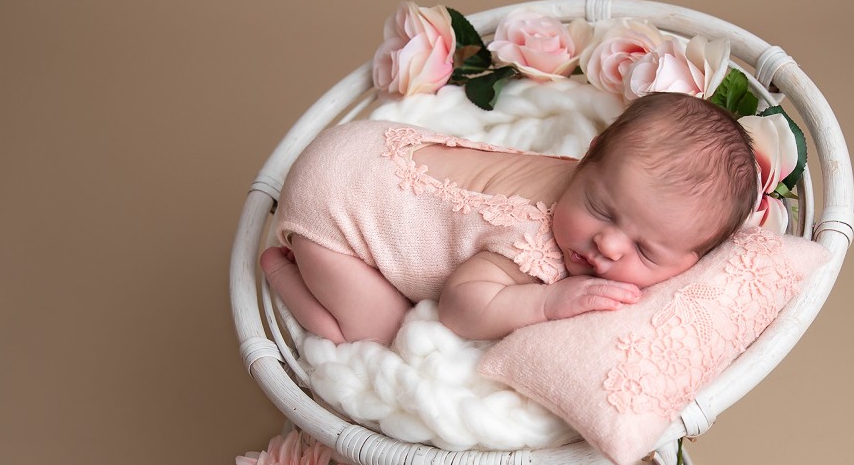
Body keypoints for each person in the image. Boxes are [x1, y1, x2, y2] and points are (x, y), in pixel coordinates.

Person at [261, 92, 758, 344]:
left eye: (645, 250)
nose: (608, 245)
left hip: (368, 142)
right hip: (333, 207)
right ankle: (283, 270)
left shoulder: (597, 179)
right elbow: (459, 308)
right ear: (587, 158)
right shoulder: (531, 245)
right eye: (601, 210)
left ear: (690, 264)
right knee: (387, 334)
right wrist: (546, 302)